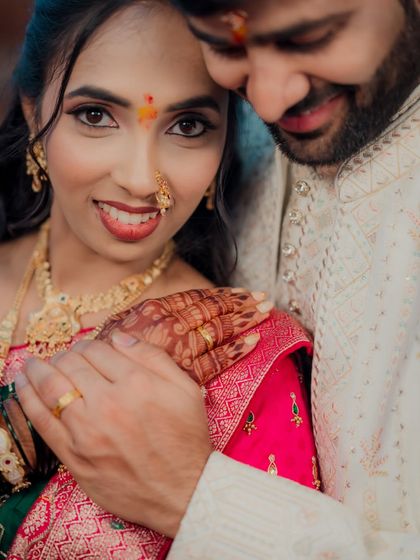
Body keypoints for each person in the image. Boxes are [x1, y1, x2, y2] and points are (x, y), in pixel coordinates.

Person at [0, 0, 322, 557]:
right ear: (33, 113)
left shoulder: (240, 357)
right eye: (96, 115)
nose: (141, 180)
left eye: (188, 125)